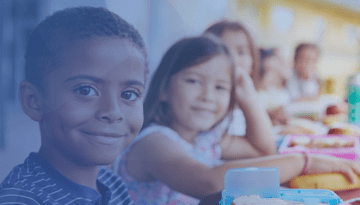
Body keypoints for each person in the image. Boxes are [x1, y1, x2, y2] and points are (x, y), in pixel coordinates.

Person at [114, 36, 360, 204]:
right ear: (164, 88)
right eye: (193, 81)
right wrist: (304, 161)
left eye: (221, 87)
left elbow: (261, 149)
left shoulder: (207, 139)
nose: (207, 96)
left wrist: (248, 96)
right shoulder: (153, 142)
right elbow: (207, 181)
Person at [0, 7, 148, 205]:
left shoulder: (111, 183)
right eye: (85, 90)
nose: (113, 112)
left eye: (129, 94)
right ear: (34, 101)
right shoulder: (20, 199)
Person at [204, 20, 275, 154]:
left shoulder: (241, 107)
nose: (233, 59)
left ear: (252, 63)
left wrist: (249, 99)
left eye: (241, 52)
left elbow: (266, 148)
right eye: (223, 50)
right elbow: (266, 151)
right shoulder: (203, 106)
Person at [257, 48, 291, 125]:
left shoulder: (275, 91)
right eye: (269, 71)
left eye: (275, 71)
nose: (274, 77)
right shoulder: (255, 95)